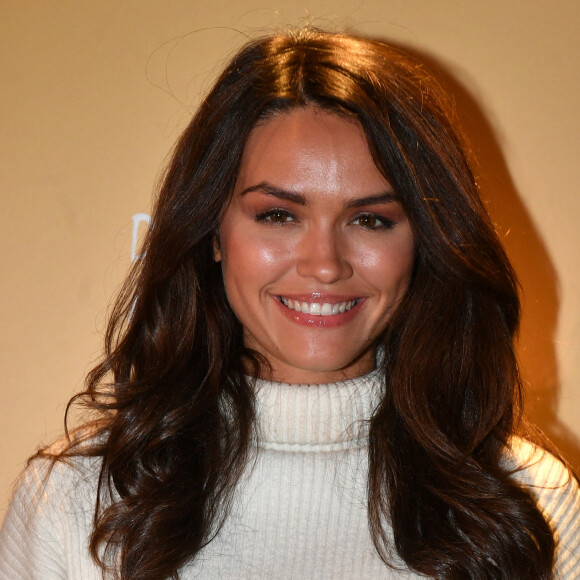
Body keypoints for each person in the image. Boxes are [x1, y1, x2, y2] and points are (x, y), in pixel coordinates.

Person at [1, 27, 579, 580]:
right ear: (213, 233)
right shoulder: (78, 499)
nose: (325, 263)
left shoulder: (529, 501)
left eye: (371, 219)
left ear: (424, 243)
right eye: (278, 215)